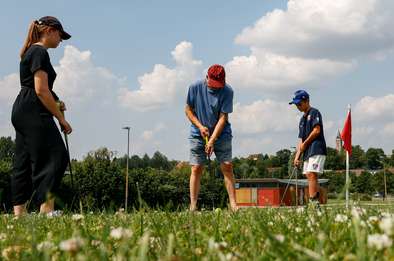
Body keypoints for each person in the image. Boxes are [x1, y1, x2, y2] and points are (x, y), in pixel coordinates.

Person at [11, 16, 72, 217]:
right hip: (33, 109)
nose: (61, 40)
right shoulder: (39, 52)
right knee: (55, 156)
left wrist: (56, 101)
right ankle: (46, 210)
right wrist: (61, 119)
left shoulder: (31, 51)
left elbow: (39, 88)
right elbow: (40, 90)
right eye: (60, 35)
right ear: (49, 31)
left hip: (22, 108)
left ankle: (19, 213)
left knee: (24, 160)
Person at [185, 64, 238, 211]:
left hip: (222, 133)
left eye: (219, 85)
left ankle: (233, 205)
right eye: (213, 84)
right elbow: (188, 110)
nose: (216, 88)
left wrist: (213, 139)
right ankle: (193, 205)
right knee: (196, 168)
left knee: (227, 166)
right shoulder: (194, 87)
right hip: (198, 132)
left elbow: (223, 117)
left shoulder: (228, 91)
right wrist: (200, 127)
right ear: (207, 77)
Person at [290, 90, 327, 208]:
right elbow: (300, 140)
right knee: (308, 175)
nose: (297, 106)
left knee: (312, 174)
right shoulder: (301, 120)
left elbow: (317, 130)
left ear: (307, 101)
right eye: (296, 104)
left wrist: (305, 143)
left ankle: (313, 202)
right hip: (307, 151)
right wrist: (297, 157)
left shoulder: (315, 112)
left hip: (316, 148)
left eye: (299, 103)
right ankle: (316, 202)